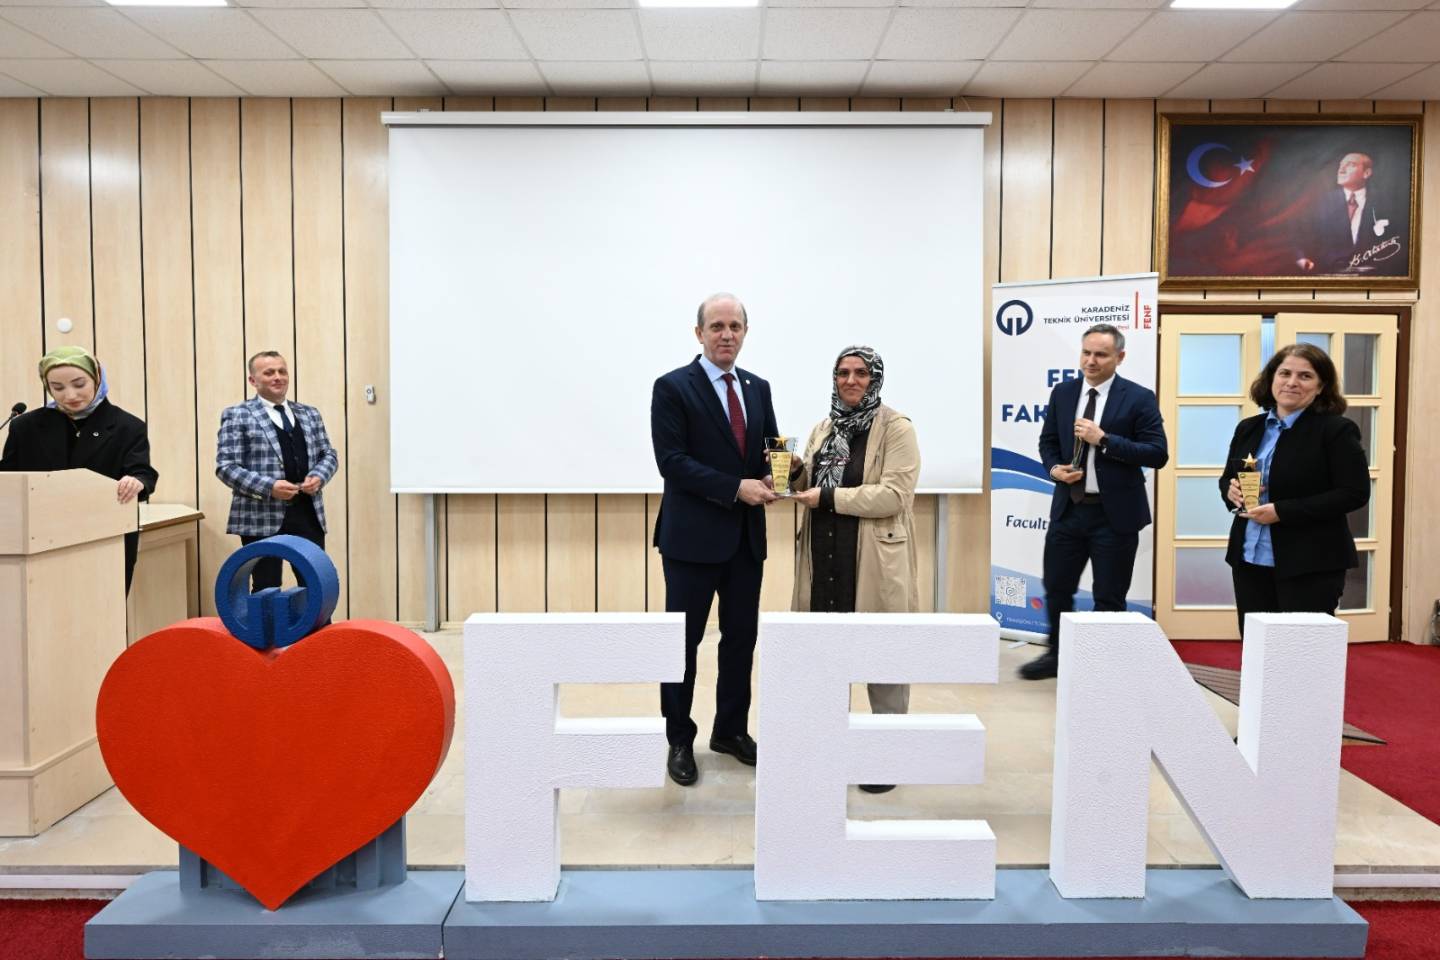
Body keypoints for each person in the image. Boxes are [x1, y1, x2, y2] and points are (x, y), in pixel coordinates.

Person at [650, 293, 779, 787]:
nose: (727, 335)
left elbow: (768, 449)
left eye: (735, 326)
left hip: (745, 541)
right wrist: (734, 488)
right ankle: (679, 739)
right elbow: (672, 462)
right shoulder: (672, 387)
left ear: (745, 332)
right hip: (691, 542)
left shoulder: (758, 387)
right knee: (681, 645)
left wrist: (777, 474)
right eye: (717, 326)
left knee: (741, 640)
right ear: (699, 333)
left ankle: (730, 731)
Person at [789, 346, 919, 794]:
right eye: (842, 372)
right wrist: (795, 474)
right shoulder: (823, 428)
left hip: (873, 558)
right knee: (824, 658)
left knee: (882, 658)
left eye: (861, 373)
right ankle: (829, 750)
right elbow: (810, 484)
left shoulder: (897, 428)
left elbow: (894, 496)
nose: (850, 380)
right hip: (824, 555)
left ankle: (886, 759)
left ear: (875, 378)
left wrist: (827, 498)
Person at [1020, 323, 1169, 681]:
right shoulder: (1064, 392)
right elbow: (1048, 441)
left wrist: (1104, 439)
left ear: (1120, 357)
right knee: (1057, 587)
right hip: (1069, 509)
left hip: (1114, 515)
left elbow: (1157, 453)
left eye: (1100, 354)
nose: (1090, 360)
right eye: (1086, 352)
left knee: (1109, 595)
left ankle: (1102, 665)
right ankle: (1057, 655)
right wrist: (1054, 469)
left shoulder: (1139, 397)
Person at [1220, 344, 1368, 634]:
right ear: (1271, 378)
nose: (1291, 382)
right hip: (1249, 558)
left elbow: (1354, 492)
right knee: (1256, 646)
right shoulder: (1248, 428)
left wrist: (1282, 512)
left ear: (1321, 386)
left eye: (1305, 376)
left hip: (1310, 561)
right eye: (1284, 373)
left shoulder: (1336, 430)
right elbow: (1227, 478)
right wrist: (1230, 491)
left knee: (1302, 649)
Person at [0, 345, 158, 594]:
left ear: (96, 378)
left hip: (105, 537)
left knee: (103, 605)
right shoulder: (25, 427)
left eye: (79, 384)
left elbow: (142, 473)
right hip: (40, 537)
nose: (70, 395)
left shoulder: (127, 426)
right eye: (58, 387)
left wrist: (137, 481)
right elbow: (7, 480)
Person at [215, 351, 339, 592]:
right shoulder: (237, 415)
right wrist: (270, 487)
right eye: (269, 372)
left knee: (316, 585)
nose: (278, 377)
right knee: (266, 587)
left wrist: (319, 477)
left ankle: (316, 620)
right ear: (253, 380)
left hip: (308, 512)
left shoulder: (309, 413)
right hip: (260, 516)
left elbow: (329, 454)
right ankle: (267, 620)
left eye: (282, 371)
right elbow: (226, 467)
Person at [1294, 152, 1405, 276]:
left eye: (1350, 165)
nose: (1341, 169)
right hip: (1329, 274)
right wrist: (1301, 258)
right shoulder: (1320, 202)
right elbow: (1300, 235)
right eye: (1341, 165)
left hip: (1374, 276)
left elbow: (1398, 242)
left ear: (1366, 173)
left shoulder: (1386, 203)